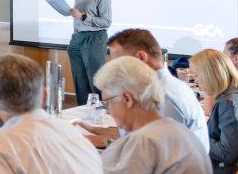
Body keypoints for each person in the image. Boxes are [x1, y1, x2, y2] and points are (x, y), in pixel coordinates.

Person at [78, 28, 209, 152]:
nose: (113, 68)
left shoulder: (163, 95)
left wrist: (107, 142)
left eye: (118, 62)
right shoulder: (171, 85)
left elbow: (158, 150)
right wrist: (98, 131)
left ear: (141, 57)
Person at [65, 0, 112, 105]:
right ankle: (82, 110)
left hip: (94, 38)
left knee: (95, 78)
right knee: (79, 78)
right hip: (77, 38)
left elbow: (106, 22)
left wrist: (83, 16)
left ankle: (101, 112)